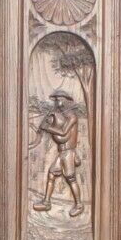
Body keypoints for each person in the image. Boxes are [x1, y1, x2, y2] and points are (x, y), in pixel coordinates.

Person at [32, 88, 85, 218]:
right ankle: (46, 203)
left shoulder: (72, 117)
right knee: (51, 174)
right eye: (55, 100)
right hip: (62, 153)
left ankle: (79, 205)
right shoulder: (62, 115)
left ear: (64, 100)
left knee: (71, 178)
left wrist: (48, 127)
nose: (56, 102)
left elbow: (63, 133)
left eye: (58, 100)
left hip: (68, 153)